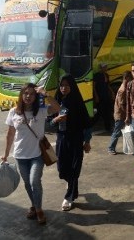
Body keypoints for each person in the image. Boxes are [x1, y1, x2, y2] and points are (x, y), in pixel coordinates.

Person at [1, 83, 60, 224]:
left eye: (32, 94)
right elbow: (10, 135)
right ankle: (34, 205)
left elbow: (57, 108)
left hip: (37, 155)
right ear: (21, 95)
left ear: (36, 96)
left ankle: (39, 210)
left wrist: (46, 94)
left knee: (34, 181)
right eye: (26, 93)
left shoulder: (41, 110)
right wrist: (5, 154)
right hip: (20, 155)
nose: (28, 96)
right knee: (28, 183)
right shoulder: (14, 112)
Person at [52, 74, 92, 211]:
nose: (63, 88)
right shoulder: (57, 101)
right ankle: (71, 185)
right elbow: (49, 122)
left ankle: (69, 197)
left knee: (74, 168)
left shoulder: (77, 101)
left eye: (67, 85)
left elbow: (87, 123)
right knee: (62, 168)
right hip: (62, 139)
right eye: (61, 85)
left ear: (72, 86)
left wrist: (87, 141)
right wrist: (55, 120)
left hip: (76, 139)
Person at [107, 71, 133, 155]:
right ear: (126, 78)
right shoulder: (123, 90)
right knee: (117, 132)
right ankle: (111, 148)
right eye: (130, 78)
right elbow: (122, 105)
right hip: (120, 115)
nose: (132, 80)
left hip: (121, 114)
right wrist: (127, 116)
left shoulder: (125, 87)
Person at [93, 62, 114, 131]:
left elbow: (107, 85)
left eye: (106, 67)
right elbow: (93, 86)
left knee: (107, 112)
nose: (106, 68)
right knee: (98, 113)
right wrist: (96, 96)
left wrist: (112, 92)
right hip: (100, 96)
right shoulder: (97, 75)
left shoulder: (107, 75)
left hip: (106, 96)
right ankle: (90, 125)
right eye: (104, 67)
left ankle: (108, 128)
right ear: (101, 68)